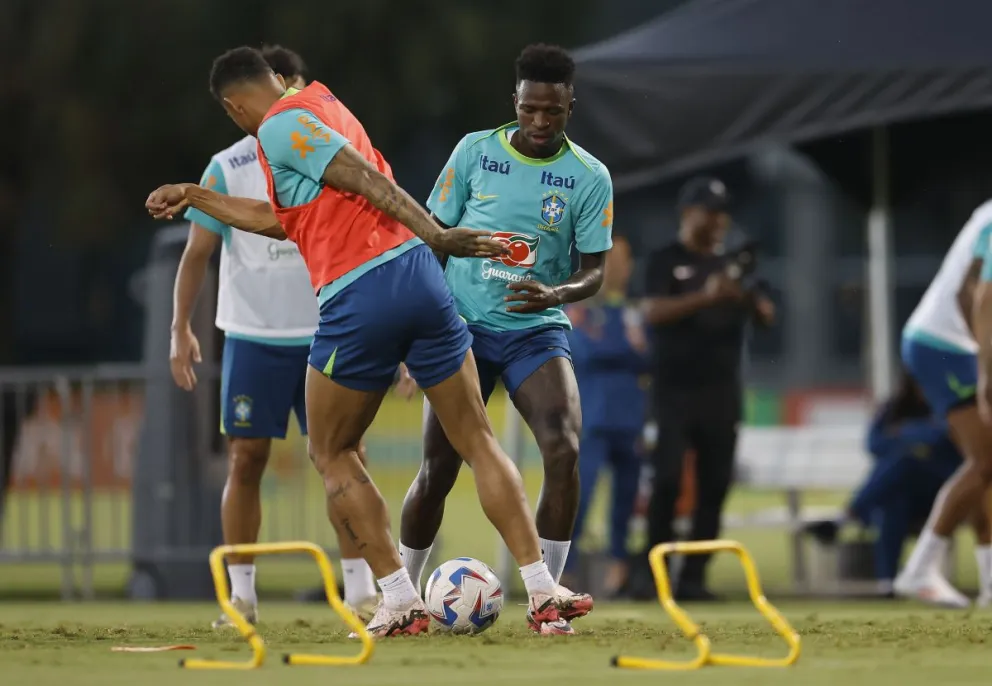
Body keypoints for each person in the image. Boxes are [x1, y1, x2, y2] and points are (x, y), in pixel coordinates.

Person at [146, 46, 576, 637]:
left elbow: (365, 178)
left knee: (332, 451)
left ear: (233, 104)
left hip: (361, 290)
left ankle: (398, 598)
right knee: (474, 435)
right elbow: (282, 219)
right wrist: (196, 195)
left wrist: (438, 232)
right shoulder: (323, 102)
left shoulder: (279, 126)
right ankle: (543, 591)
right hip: (420, 283)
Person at [172, 44, 390, 629]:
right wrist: (179, 329)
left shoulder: (323, 149)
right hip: (253, 334)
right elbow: (198, 254)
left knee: (343, 457)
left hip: (326, 329)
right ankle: (240, 596)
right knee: (246, 460)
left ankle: (361, 590)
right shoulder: (228, 165)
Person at [396, 44, 612, 628]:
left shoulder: (589, 176)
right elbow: (432, 241)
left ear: (571, 106)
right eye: (531, 109)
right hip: (459, 328)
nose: (540, 123)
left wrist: (558, 293)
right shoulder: (474, 152)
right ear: (514, 102)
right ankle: (400, 600)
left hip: (534, 331)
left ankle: (547, 600)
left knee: (564, 448)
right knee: (438, 470)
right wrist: (419, 338)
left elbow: (596, 270)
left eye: (554, 112)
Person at [634, 176, 774, 601]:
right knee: (668, 481)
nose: (718, 220)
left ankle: (695, 578)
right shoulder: (665, 260)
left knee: (714, 488)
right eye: (709, 211)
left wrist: (743, 297)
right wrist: (706, 297)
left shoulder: (736, 266)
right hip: (674, 393)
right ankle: (653, 573)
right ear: (687, 213)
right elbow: (653, 311)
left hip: (721, 394)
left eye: (723, 212)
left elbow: (768, 316)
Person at [805, 370, 990, 597]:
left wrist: (904, 433)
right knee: (892, 504)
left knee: (904, 462)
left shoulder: (952, 404)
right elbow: (875, 443)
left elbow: (943, 439)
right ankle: (889, 585)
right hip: (904, 493)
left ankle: (847, 516)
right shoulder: (896, 407)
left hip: (942, 493)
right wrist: (918, 442)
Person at [896, 199, 992, 607]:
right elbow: (981, 297)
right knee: (986, 461)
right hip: (944, 345)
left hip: (949, 345)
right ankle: (919, 570)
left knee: (986, 464)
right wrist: (988, 375)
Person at [560, 235, 649, 596]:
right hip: (591, 418)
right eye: (613, 259)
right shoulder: (577, 309)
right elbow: (585, 352)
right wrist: (627, 349)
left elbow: (649, 357)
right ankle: (564, 571)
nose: (619, 268)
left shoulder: (633, 311)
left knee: (625, 502)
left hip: (630, 419)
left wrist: (621, 349)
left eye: (625, 260)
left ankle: (619, 570)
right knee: (579, 496)